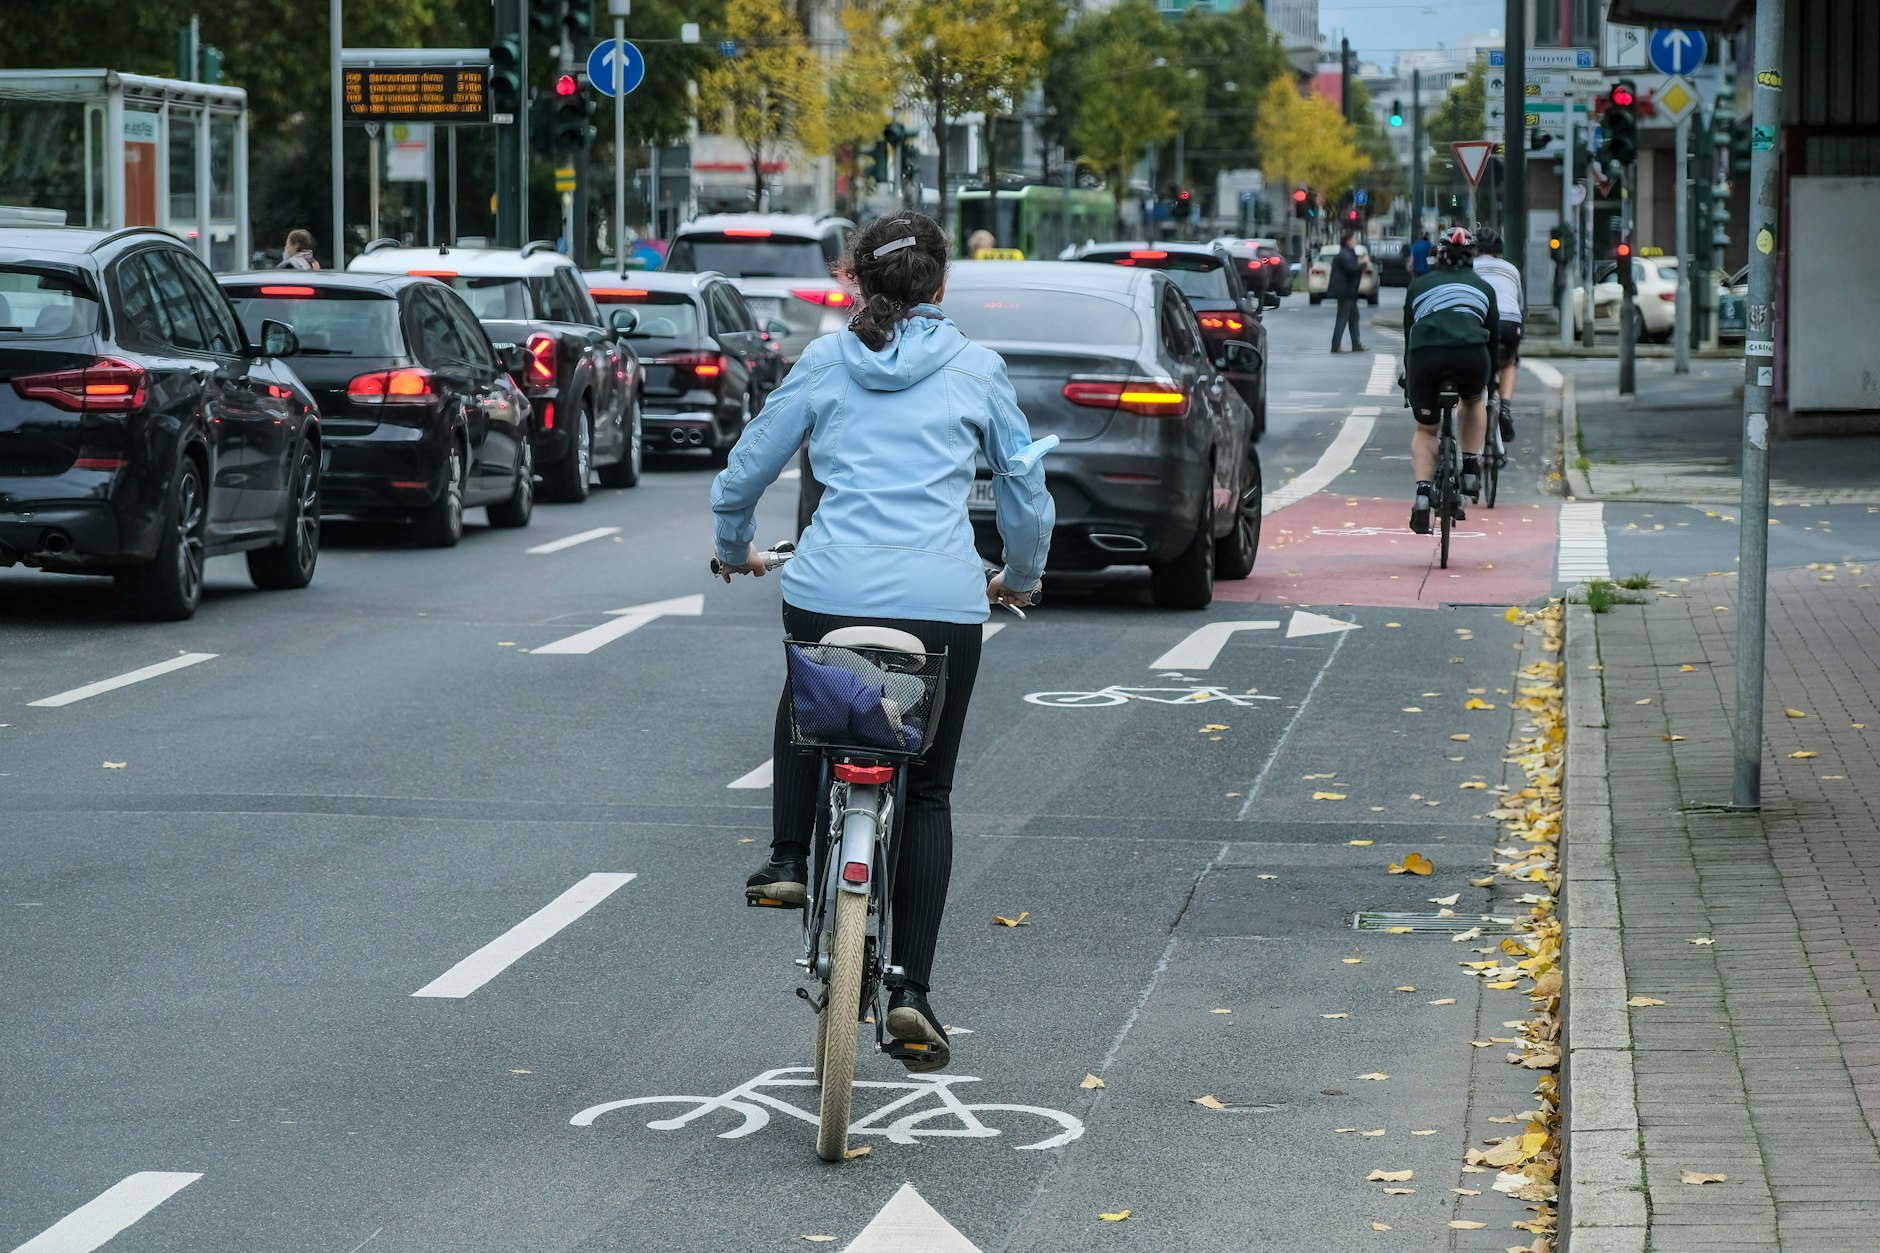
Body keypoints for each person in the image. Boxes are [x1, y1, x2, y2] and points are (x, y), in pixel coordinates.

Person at [710, 211, 1053, 1072]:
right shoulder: (977, 368)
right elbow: (1025, 494)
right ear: (942, 283)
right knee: (927, 790)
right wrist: (1019, 575)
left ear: (855, 279)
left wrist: (733, 546)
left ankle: (788, 857)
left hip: (827, 594)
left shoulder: (827, 360)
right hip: (941, 606)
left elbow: (747, 468)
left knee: (808, 696)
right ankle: (911, 990)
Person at [1401, 226, 1499, 535]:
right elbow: (1493, 341)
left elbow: (1409, 337)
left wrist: (1409, 379)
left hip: (1425, 358)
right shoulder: (1484, 288)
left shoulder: (1418, 287)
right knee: (1474, 400)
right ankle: (1470, 467)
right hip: (1470, 358)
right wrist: (1491, 379)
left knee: (1425, 429)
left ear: (1438, 256)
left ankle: (1422, 493)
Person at [1471, 228, 1523, 448]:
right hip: (1510, 322)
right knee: (1510, 361)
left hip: (1480, 321)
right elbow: (1520, 304)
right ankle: (1505, 408)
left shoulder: (1469, 268)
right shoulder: (1511, 269)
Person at [1328, 229, 1366, 353]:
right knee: (1342, 318)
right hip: (1345, 292)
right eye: (1354, 239)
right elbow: (1352, 269)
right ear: (1348, 241)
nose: (1356, 241)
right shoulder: (1344, 254)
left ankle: (1356, 344)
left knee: (1354, 318)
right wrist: (1363, 265)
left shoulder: (1348, 253)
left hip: (1350, 292)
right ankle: (1335, 345)